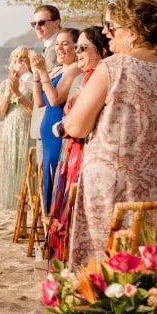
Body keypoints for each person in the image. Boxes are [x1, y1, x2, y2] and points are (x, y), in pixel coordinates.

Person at [64, 0, 157, 265]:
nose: (105, 32)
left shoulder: (114, 67)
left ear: (133, 35)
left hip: (114, 195)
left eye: (111, 27)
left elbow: (76, 126)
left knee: (108, 267)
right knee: (152, 267)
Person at [44, 26, 108, 262]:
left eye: (83, 47)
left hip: (83, 155)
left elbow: (82, 122)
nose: (77, 51)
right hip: (69, 153)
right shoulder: (84, 77)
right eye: (77, 47)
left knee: (74, 215)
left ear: (102, 50)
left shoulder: (99, 80)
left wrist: (62, 127)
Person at [30, 28, 80, 212]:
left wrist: (43, 71)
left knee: (57, 179)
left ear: (77, 48)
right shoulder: (59, 69)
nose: (59, 48)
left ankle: (55, 224)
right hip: (47, 135)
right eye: (57, 44)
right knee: (49, 180)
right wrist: (37, 74)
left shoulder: (75, 69)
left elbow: (55, 99)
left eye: (65, 44)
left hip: (59, 134)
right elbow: (40, 102)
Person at [0, 46, 35, 212]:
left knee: (27, 170)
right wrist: (10, 92)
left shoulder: (33, 83)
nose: (19, 60)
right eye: (16, 56)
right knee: (12, 168)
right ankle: (18, 212)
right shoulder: (5, 84)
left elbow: (33, 110)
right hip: (10, 132)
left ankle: (30, 209)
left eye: (24, 57)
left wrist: (18, 93)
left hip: (27, 131)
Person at [28, 5, 63, 165]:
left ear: (57, 22)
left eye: (41, 22)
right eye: (34, 23)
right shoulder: (47, 47)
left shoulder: (57, 47)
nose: (37, 27)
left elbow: (48, 85)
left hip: (50, 117)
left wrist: (25, 75)